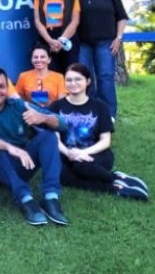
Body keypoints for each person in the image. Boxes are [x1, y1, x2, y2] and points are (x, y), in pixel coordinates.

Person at [0, 67, 68, 226]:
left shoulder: (19, 105)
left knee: (48, 137)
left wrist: (43, 118)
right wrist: (10, 148)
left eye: (1, 86)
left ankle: (51, 197)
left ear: (7, 88)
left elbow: (62, 124)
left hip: (21, 165)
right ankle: (25, 199)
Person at [49, 63, 148, 200]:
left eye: (78, 79)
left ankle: (115, 176)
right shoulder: (56, 106)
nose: (73, 83)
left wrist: (82, 153)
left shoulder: (99, 106)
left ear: (88, 81)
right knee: (61, 176)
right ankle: (115, 186)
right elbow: (54, 138)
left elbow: (105, 141)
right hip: (66, 155)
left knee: (80, 166)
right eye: (69, 80)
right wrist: (69, 153)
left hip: (96, 154)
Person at [76, 0, 128, 121]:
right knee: (84, 77)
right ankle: (89, 110)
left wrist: (118, 38)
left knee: (105, 76)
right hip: (82, 43)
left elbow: (122, 18)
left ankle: (108, 113)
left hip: (106, 43)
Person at [33, 0, 80, 73]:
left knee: (71, 72)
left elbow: (75, 20)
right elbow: (37, 21)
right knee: (52, 73)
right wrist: (50, 41)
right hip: (47, 37)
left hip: (68, 36)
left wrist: (62, 40)